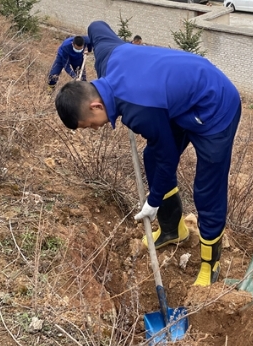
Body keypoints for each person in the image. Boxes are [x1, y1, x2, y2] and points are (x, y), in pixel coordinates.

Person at [54, 21, 242, 287]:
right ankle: (172, 229)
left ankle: (211, 264)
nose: (94, 129)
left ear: (96, 105)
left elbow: (169, 156)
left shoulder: (138, 111)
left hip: (214, 105)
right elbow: (98, 28)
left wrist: (153, 202)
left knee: (206, 188)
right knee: (151, 159)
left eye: (89, 124)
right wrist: (88, 42)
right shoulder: (108, 58)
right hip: (175, 103)